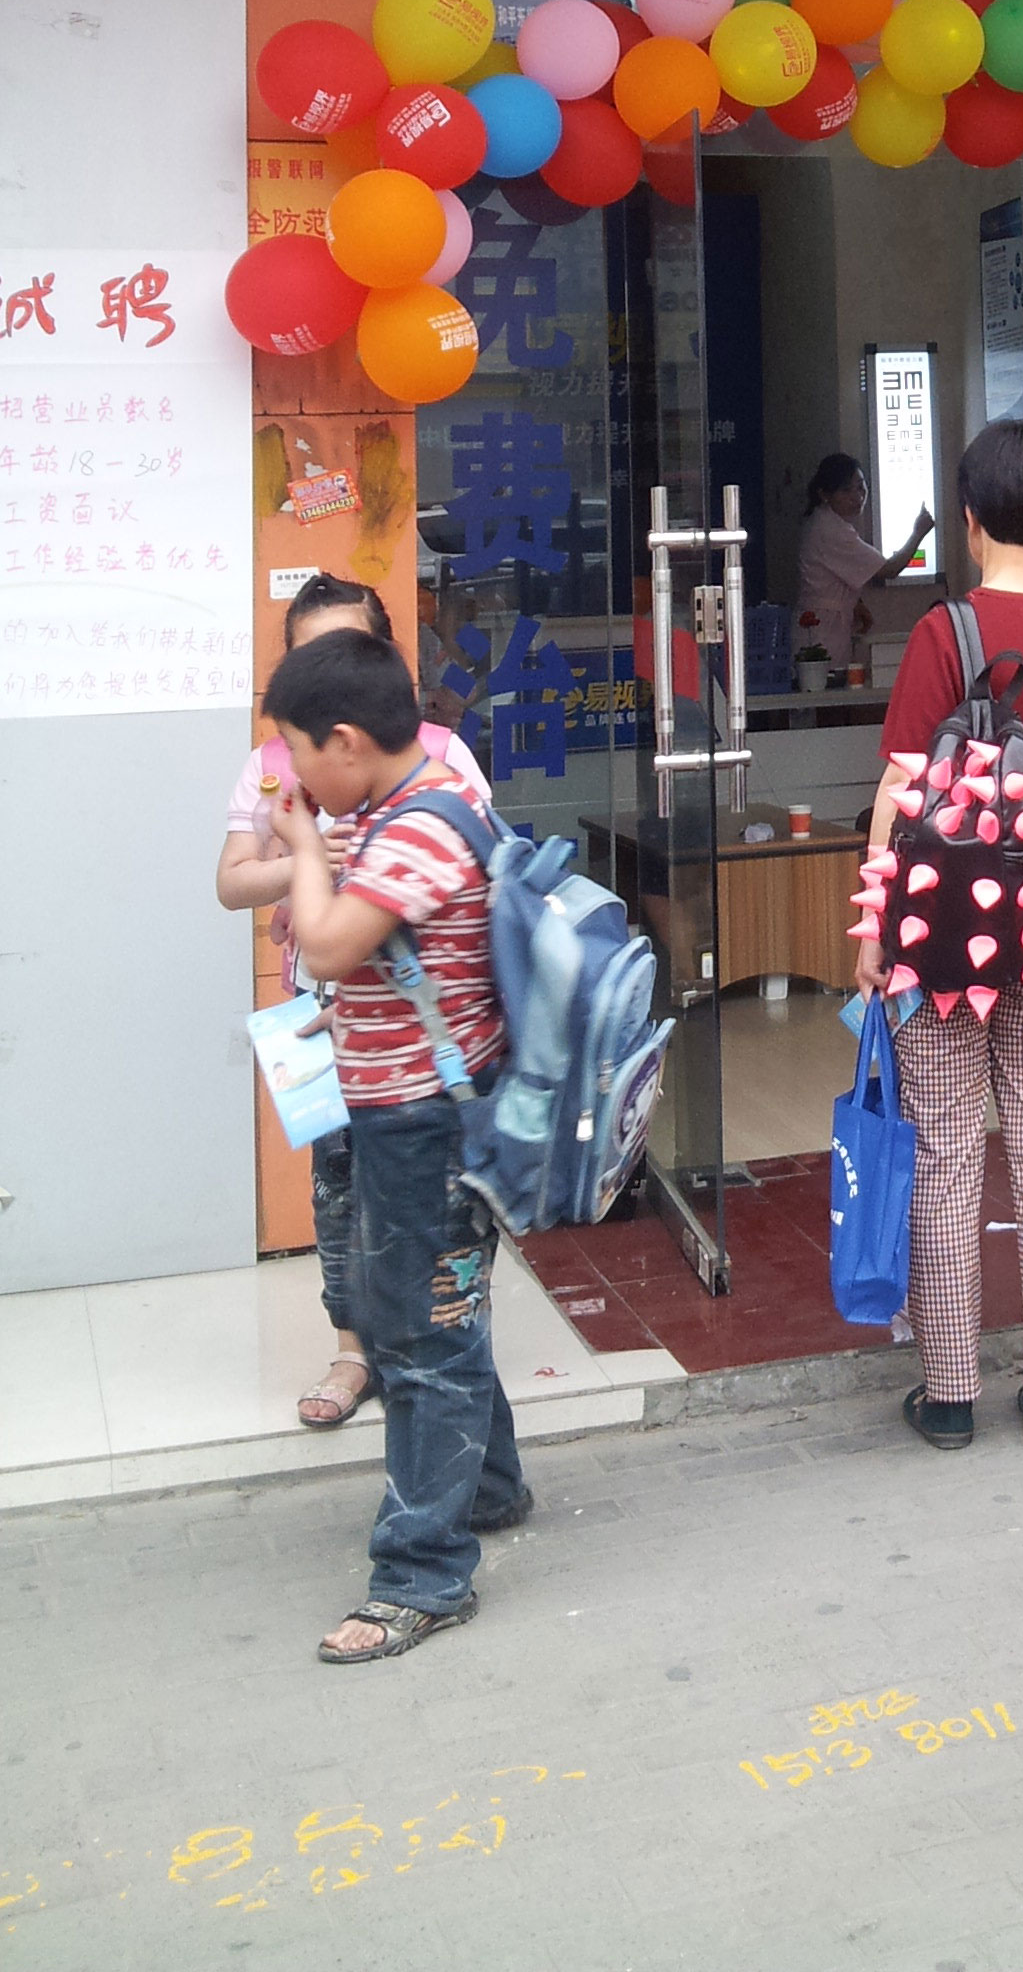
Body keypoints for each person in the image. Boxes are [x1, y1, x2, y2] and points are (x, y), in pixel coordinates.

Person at [259, 627, 529, 1662]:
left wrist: (306, 850)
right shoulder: (414, 810)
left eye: (297, 753)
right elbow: (414, 963)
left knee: (421, 1344)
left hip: (426, 1127)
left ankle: (422, 1576)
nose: (294, 777)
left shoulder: (417, 826)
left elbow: (328, 943)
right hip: (414, 1111)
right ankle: (489, 1489)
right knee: (441, 1318)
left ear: (344, 741)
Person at [856, 422, 1023, 1454]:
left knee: (945, 1149)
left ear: (967, 521)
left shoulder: (943, 634)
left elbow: (899, 790)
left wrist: (877, 927)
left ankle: (951, 1392)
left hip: (939, 935)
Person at [217, 571, 491, 1433]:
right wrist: (306, 862)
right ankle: (358, 1347)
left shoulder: (436, 774)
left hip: (419, 1053)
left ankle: (434, 1350)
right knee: (337, 1189)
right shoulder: (276, 762)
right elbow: (232, 883)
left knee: (422, 1235)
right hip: (334, 1013)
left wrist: (315, 857)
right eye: (312, 655)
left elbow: (445, 903)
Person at [798, 454, 933, 682]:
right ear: (825, 494)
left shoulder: (825, 522)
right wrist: (918, 533)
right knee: (826, 690)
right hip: (822, 628)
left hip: (829, 623)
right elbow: (889, 569)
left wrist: (856, 603)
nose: (857, 497)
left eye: (861, 487)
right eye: (846, 491)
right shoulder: (831, 529)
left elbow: (835, 574)